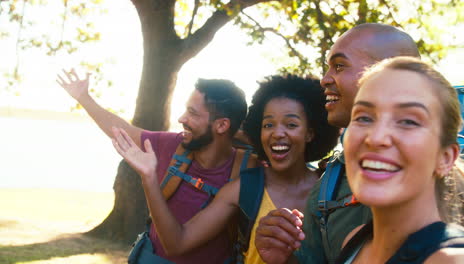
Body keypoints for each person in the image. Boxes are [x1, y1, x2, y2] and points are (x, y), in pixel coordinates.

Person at [110, 75, 340, 263]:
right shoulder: (244, 188)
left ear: (310, 133)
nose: (277, 133)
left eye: (291, 124)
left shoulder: (332, 190)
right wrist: (149, 178)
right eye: (268, 124)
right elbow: (177, 243)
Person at [254, 23, 422, 264]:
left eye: (340, 66)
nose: (324, 79)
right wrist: (286, 257)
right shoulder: (327, 187)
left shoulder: (446, 169)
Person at [56, 70, 249, 264]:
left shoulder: (248, 168)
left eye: (192, 113)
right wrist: (84, 98)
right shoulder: (173, 145)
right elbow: (124, 132)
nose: (182, 119)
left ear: (222, 125)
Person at [336, 56, 464, 263]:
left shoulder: (453, 259)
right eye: (363, 117)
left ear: (445, 158)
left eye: (408, 121)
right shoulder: (354, 241)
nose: (376, 137)